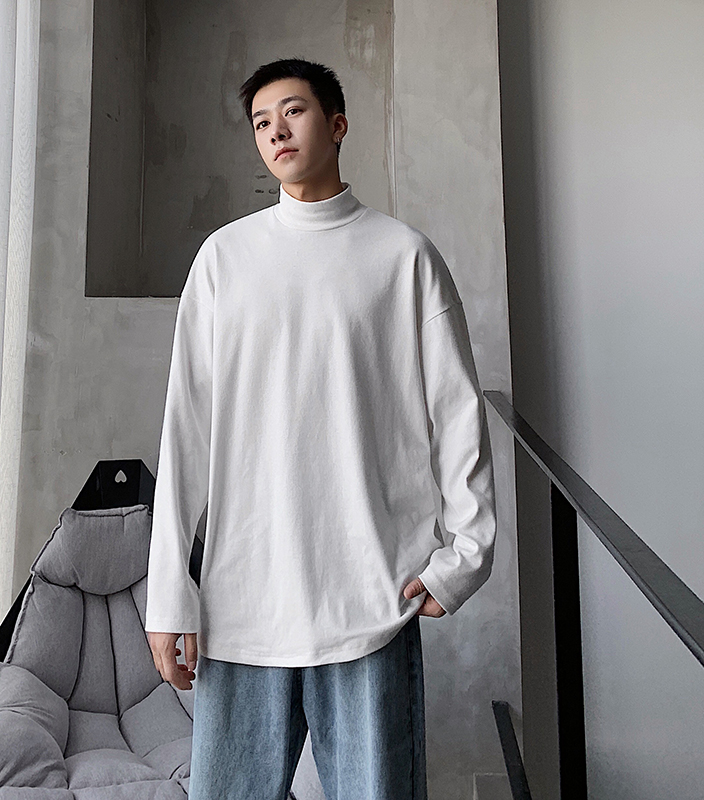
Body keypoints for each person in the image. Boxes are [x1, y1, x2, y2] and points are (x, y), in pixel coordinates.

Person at [145, 58, 496, 800]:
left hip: (369, 600)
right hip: (243, 606)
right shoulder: (224, 259)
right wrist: (170, 594)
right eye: (261, 122)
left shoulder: (403, 257)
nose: (276, 130)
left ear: (337, 125)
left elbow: (457, 411)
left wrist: (465, 558)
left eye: (293, 111)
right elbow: (186, 433)